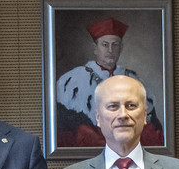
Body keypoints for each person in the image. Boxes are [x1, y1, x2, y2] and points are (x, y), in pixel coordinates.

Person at [54, 18, 161, 148]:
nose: (110, 50)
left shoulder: (133, 79)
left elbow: (153, 126)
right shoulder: (73, 80)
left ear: (121, 48)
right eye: (105, 45)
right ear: (95, 48)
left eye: (115, 45)